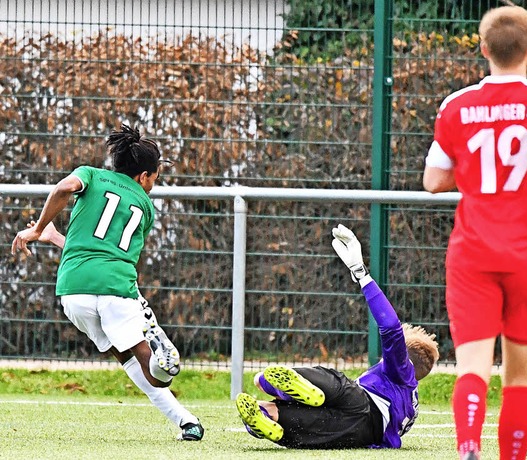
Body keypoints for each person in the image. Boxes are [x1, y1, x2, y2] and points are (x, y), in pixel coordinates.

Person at [422, 6, 527, 460]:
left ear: (483, 49)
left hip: (473, 253)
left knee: (471, 367)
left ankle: (468, 447)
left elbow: (433, 180)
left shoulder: (456, 105)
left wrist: (476, 173)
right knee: (519, 376)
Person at [11, 124, 204, 441]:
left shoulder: (90, 175)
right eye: (155, 177)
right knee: (155, 374)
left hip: (74, 293)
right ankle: (162, 362)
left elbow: (63, 192)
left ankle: (186, 422)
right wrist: (42, 231)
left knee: (124, 357)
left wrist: (43, 230)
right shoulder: (144, 206)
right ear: (143, 177)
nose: (154, 184)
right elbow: (111, 254)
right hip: (117, 291)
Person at [235, 224, 440, 449]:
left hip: (361, 404)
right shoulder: (410, 405)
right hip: (356, 435)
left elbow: (391, 327)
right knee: (287, 421)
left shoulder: (402, 371)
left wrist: (361, 274)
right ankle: (266, 416)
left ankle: (284, 390)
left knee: (266, 379)